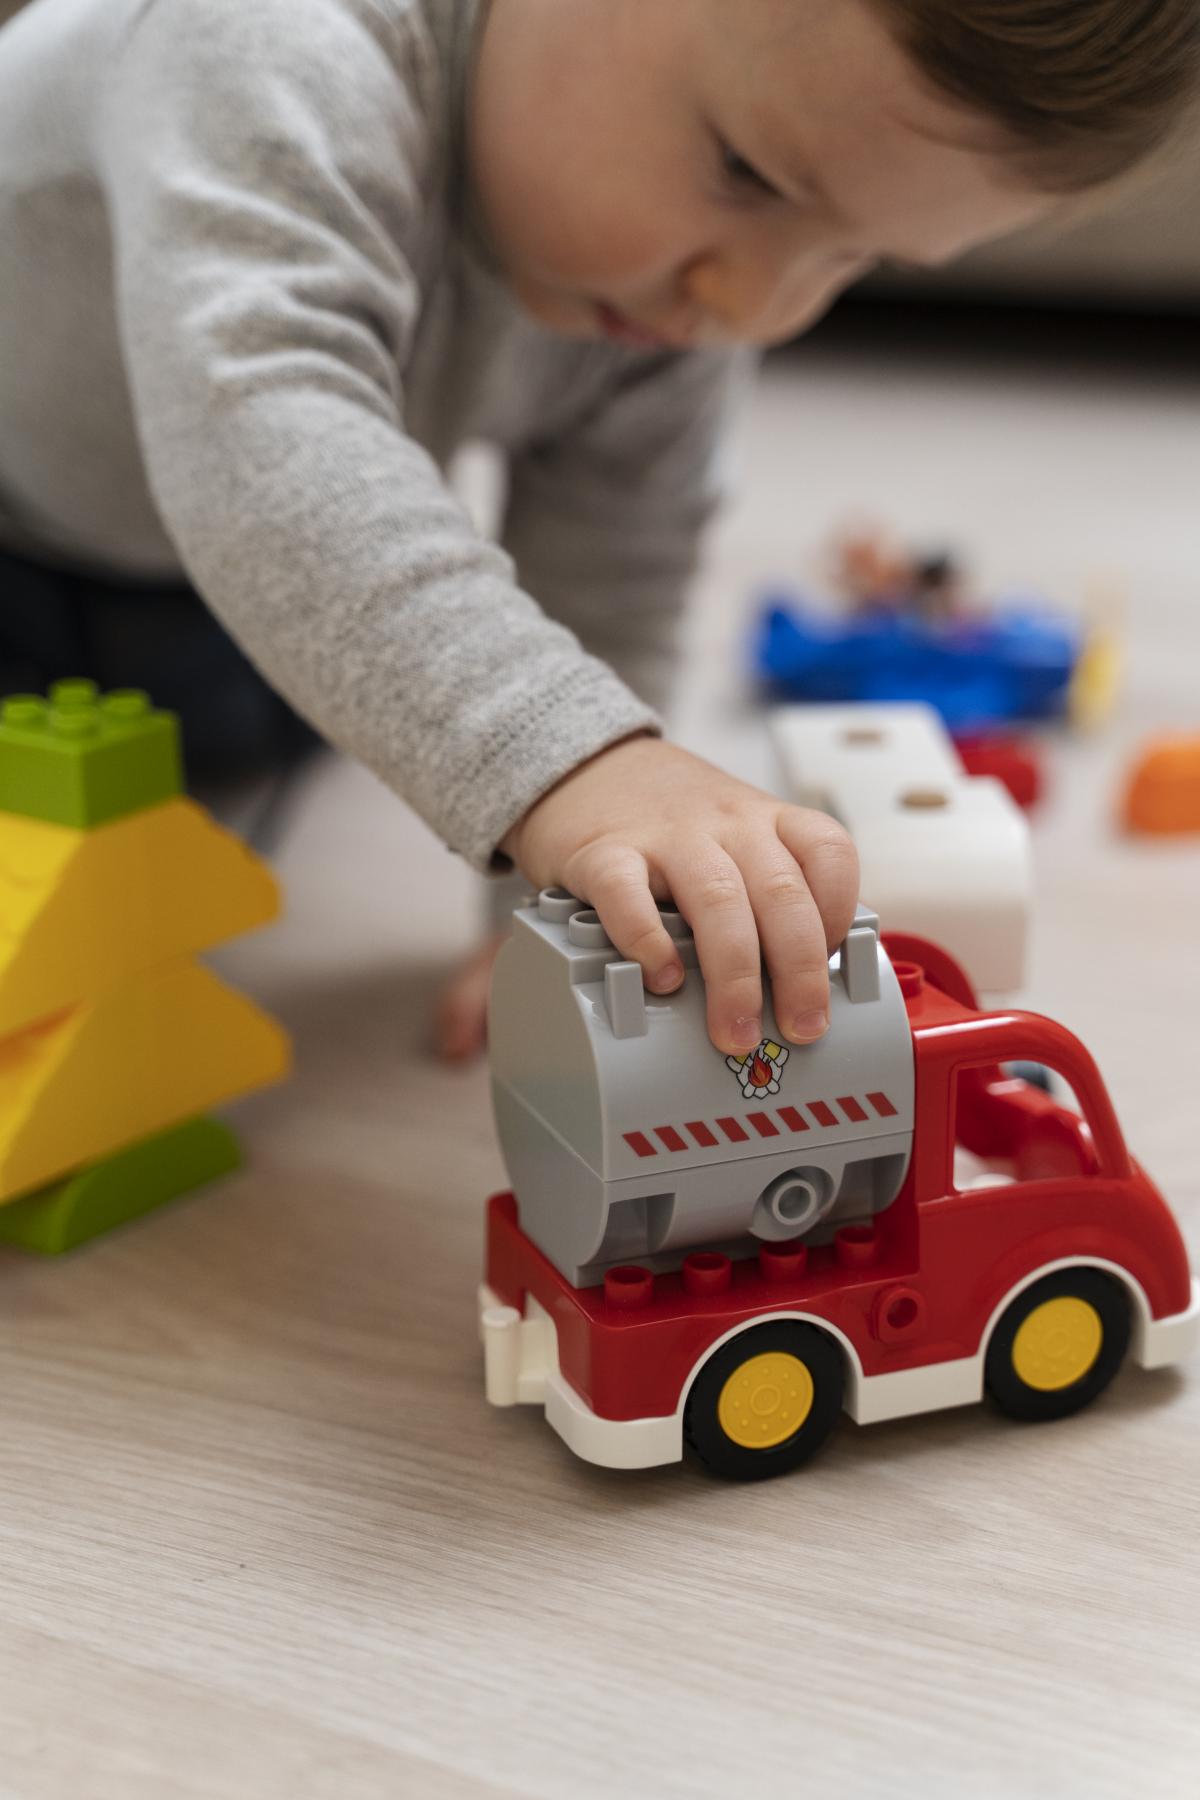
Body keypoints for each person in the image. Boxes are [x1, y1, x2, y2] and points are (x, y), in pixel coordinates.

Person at [1, 1, 1196, 1063]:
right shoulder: (260, 35)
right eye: (750, 172)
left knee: (295, 730)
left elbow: (614, 565)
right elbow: (262, 447)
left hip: (207, 605)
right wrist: (569, 761)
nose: (755, 304)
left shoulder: (664, 288)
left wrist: (558, 917)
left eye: (860, 254)